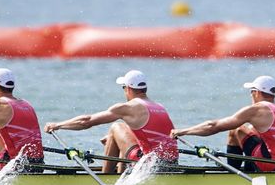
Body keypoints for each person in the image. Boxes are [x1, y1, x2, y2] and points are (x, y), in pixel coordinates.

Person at [44, 69, 178, 173]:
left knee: (116, 127)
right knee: (120, 129)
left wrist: (58, 125)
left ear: (128, 88)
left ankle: (107, 178)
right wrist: (113, 140)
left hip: (152, 165)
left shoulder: (128, 107)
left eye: (123, 88)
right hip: (171, 163)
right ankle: (121, 172)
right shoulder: (159, 106)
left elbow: (86, 121)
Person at [170, 75, 275, 172]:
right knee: (255, 133)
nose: (250, 95)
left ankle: (233, 173)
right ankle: (251, 167)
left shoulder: (256, 109)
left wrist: (183, 131)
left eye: (251, 92)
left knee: (236, 130)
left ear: (256, 92)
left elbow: (213, 127)